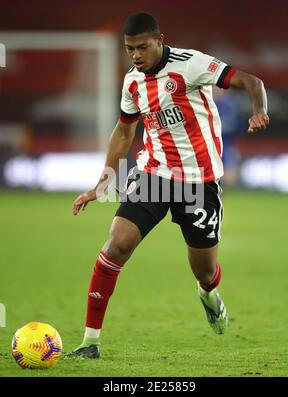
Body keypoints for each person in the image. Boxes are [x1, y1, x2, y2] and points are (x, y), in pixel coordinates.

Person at [66, 13, 269, 359]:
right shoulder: (132, 83)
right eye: (130, 49)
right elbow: (125, 131)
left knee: (205, 272)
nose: (136, 55)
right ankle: (90, 342)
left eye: (142, 47)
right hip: (153, 176)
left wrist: (258, 110)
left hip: (199, 183)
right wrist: (103, 180)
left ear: (160, 39)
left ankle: (208, 294)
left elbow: (252, 82)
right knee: (116, 246)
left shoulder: (191, 65)